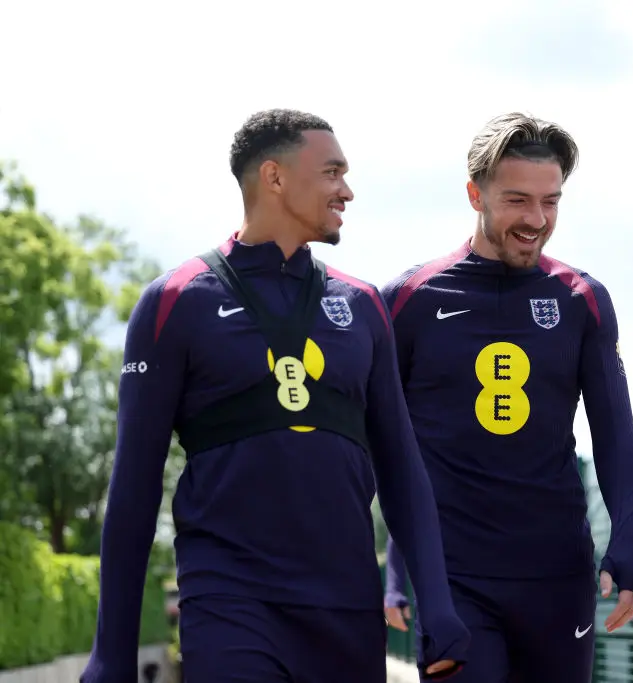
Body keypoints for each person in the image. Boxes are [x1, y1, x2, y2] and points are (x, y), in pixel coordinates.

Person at [80, 109, 469, 683]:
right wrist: (111, 651)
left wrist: (437, 604)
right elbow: (134, 486)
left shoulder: (363, 307)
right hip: (230, 603)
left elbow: (403, 470)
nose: (348, 191)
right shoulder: (174, 302)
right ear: (275, 177)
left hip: (347, 610)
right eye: (332, 172)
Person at [379, 112, 633, 683]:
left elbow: (616, 433)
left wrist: (628, 537)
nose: (536, 219)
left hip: (557, 574)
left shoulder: (582, 299)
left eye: (551, 202)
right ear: (475, 193)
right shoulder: (407, 300)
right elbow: (380, 446)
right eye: (517, 200)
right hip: (454, 578)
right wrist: (394, 572)